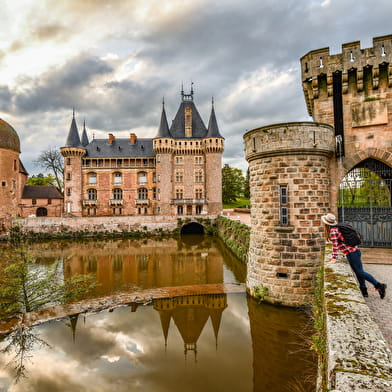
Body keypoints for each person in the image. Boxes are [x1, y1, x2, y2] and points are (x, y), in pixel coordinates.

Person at [321, 213, 387, 299]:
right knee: (359, 272)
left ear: (326, 223)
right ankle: (364, 291)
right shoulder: (338, 228)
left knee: (360, 272)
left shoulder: (333, 231)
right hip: (355, 251)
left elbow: (335, 245)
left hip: (351, 254)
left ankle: (379, 285)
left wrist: (334, 257)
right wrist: (333, 256)